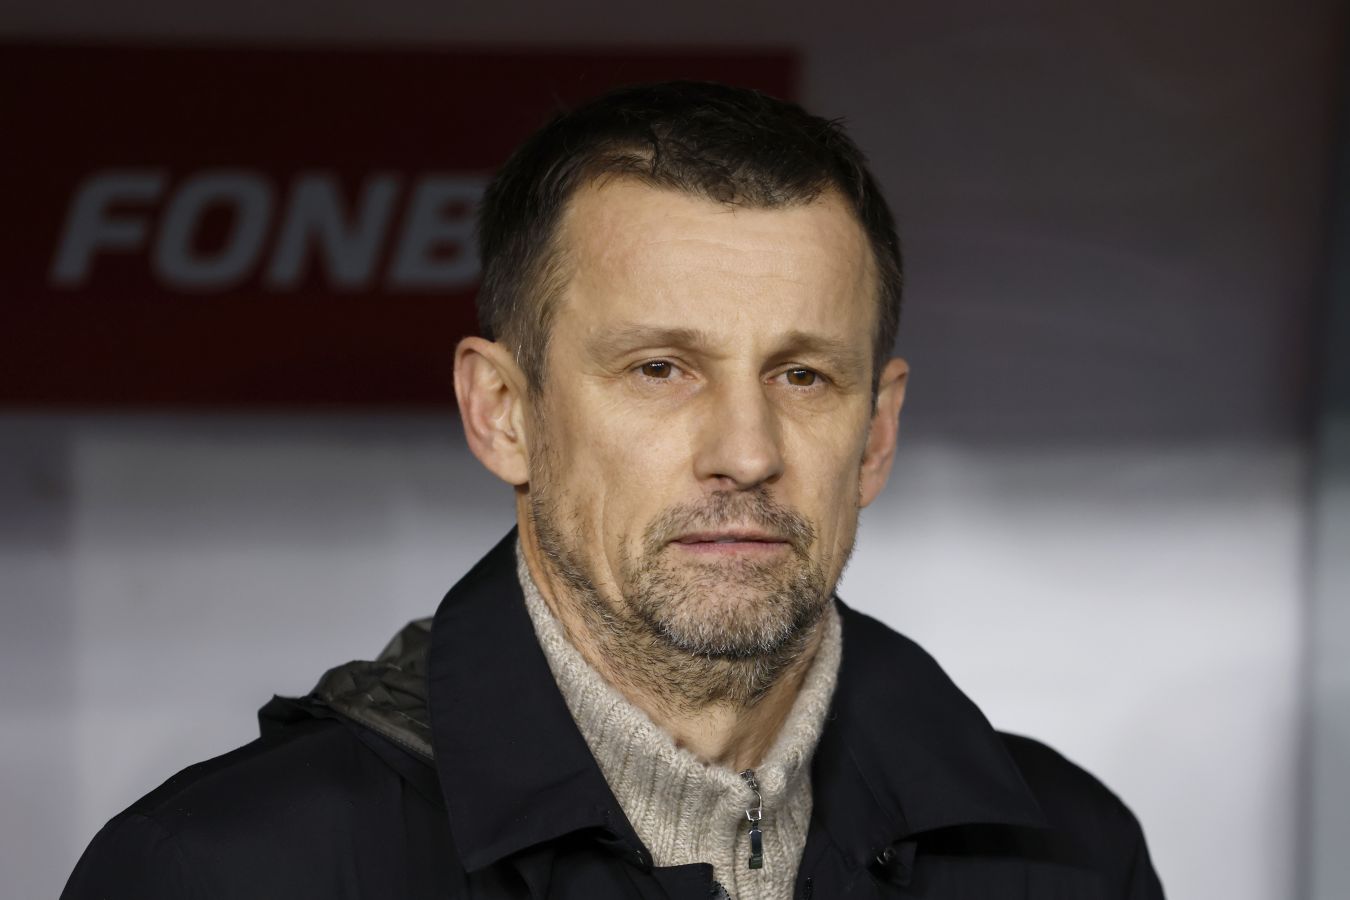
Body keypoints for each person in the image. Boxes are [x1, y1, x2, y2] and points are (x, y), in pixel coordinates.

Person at [62, 81, 1165, 899]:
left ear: (875, 434)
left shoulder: (1070, 856)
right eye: (660, 369)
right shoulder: (224, 873)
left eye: (802, 375)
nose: (745, 452)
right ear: (504, 412)